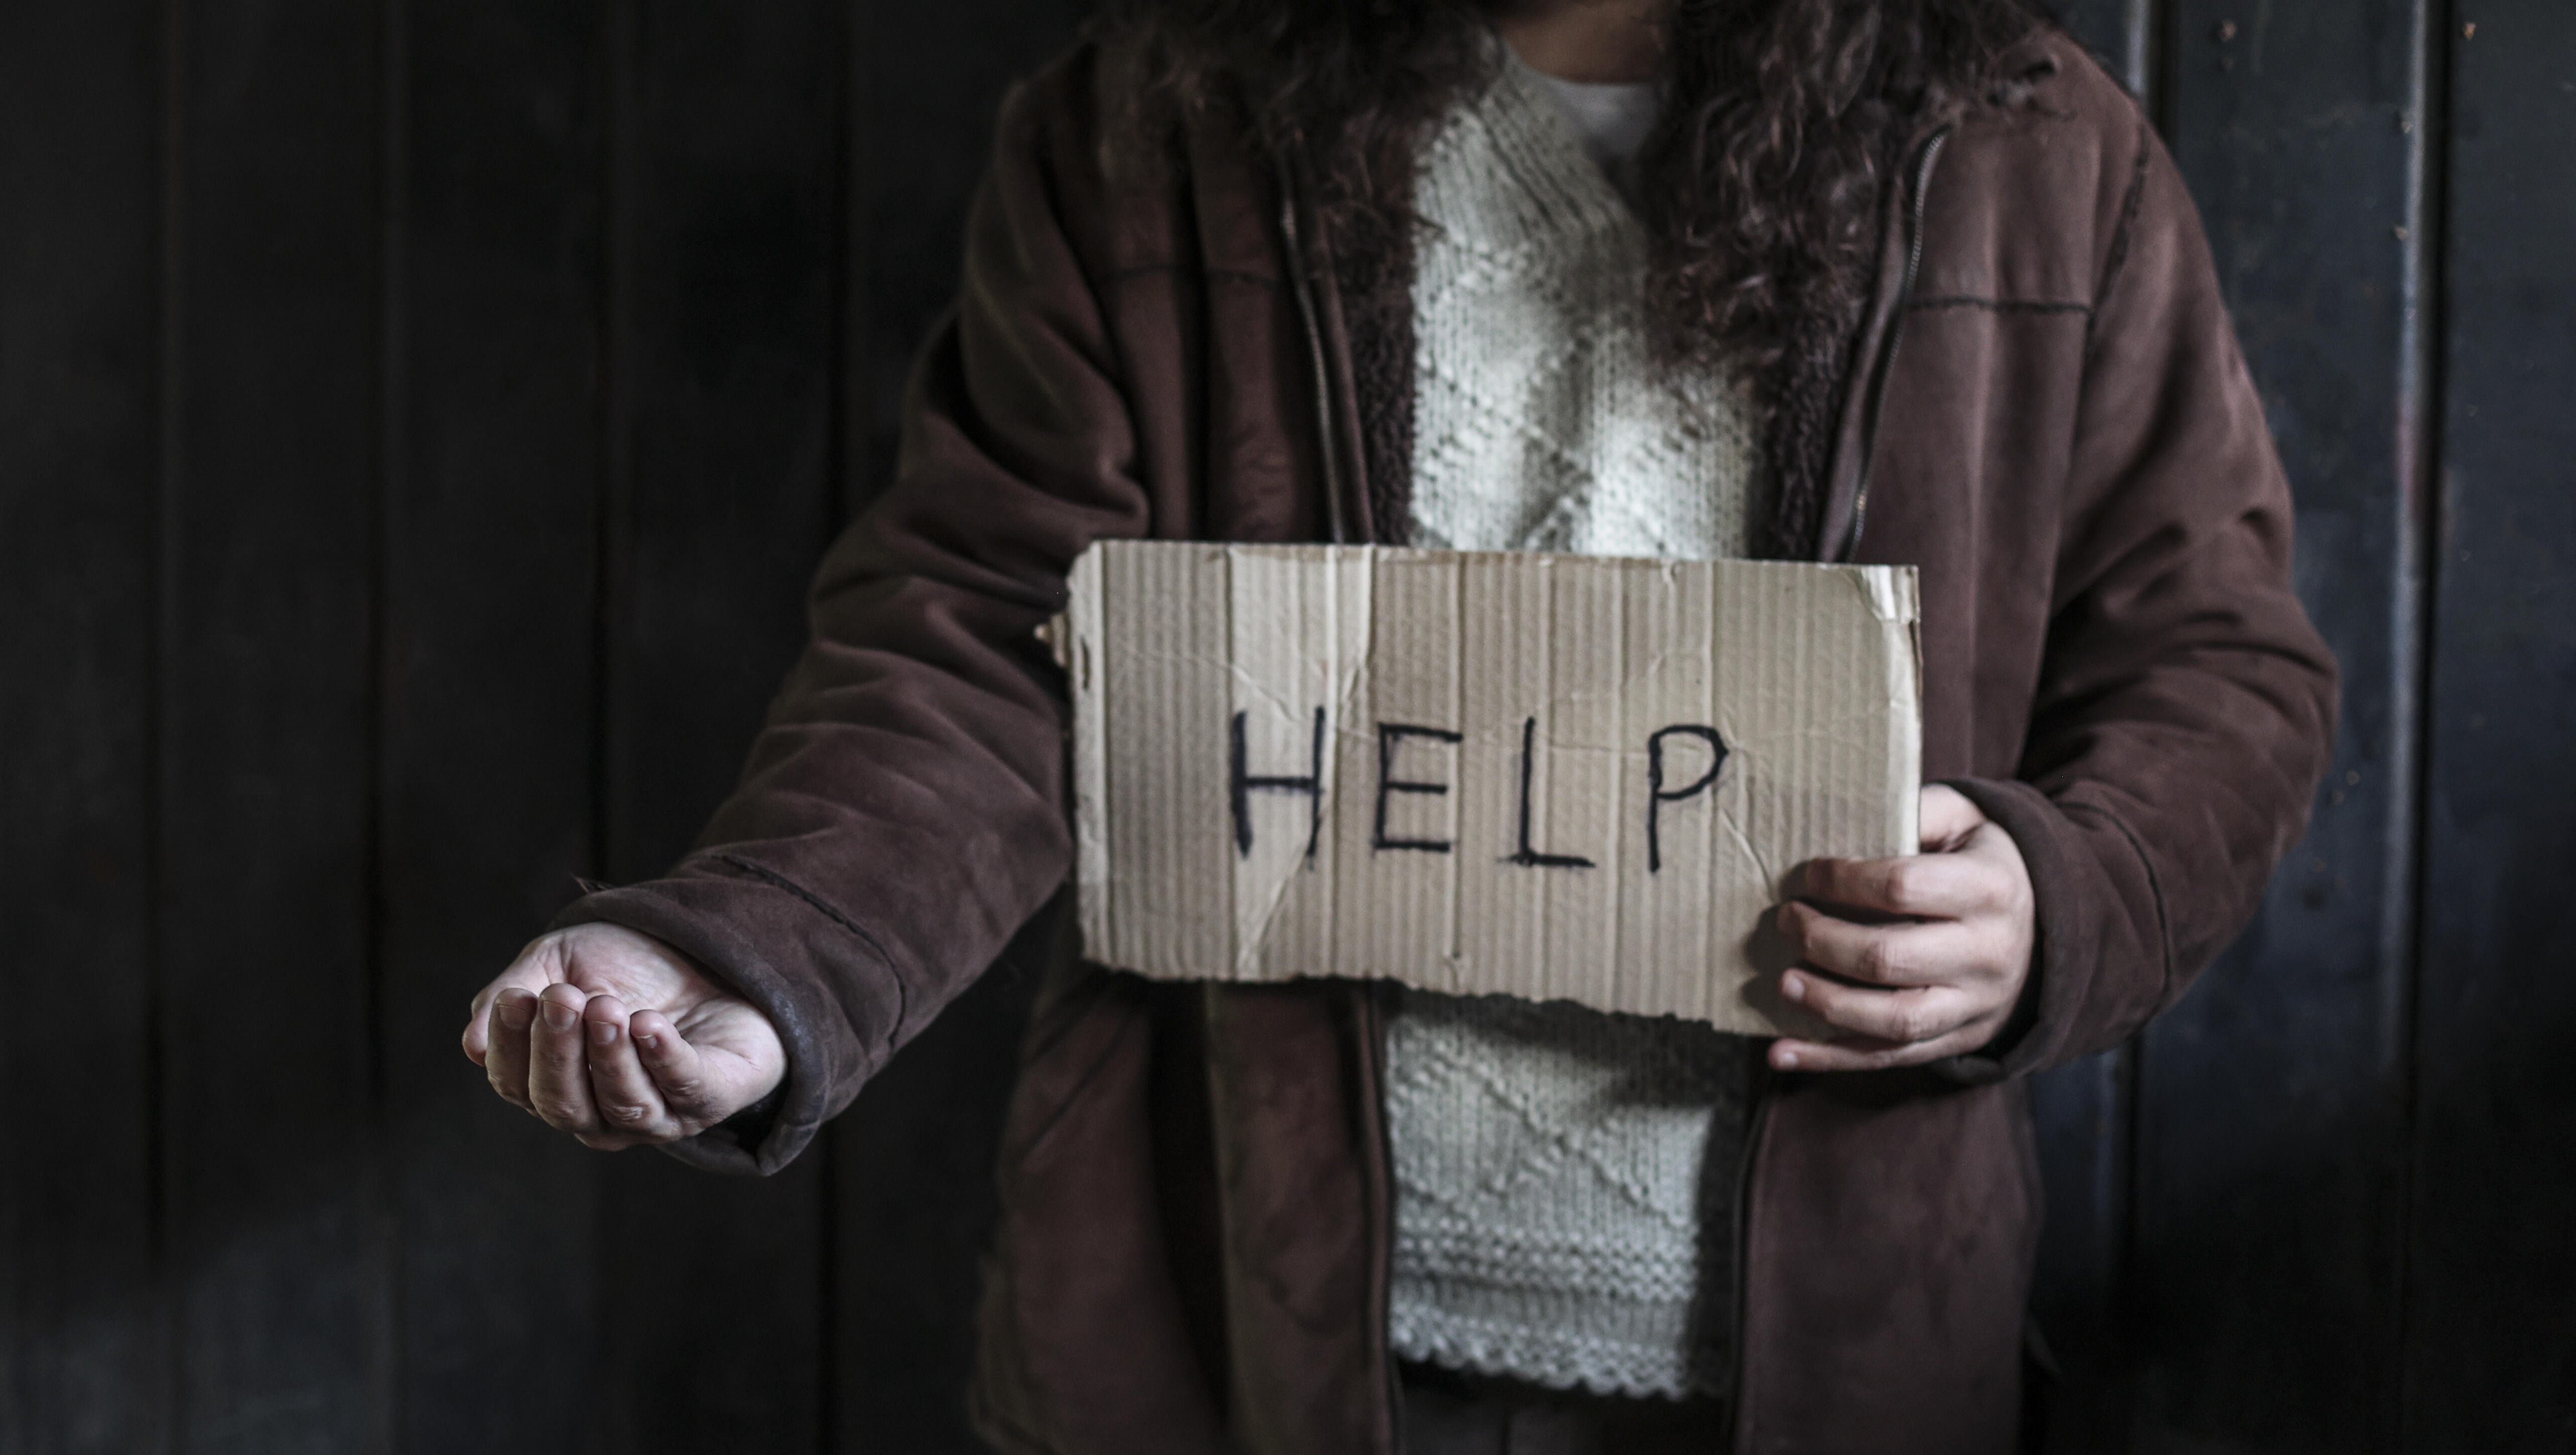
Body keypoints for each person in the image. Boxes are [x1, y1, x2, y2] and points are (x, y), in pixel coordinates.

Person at [461, 0, 2337, 1449]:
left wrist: (2048, 901)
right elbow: (987, 641)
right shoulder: (1151, 125)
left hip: (1829, 1360)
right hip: (1226, 1343)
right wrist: (746, 951)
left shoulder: (2034, 152)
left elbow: (2218, 675)